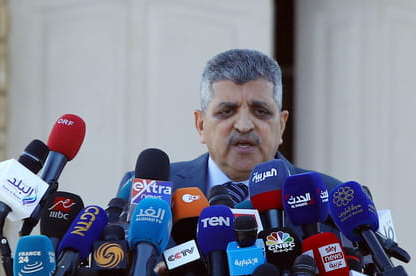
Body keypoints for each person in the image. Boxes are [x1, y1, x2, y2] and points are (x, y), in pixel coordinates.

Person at [119, 48, 342, 201]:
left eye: (261, 111)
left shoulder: (330, 196)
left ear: (282, 125)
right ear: (200, 125)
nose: (244, 126)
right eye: (226, 111)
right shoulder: (148, 189)